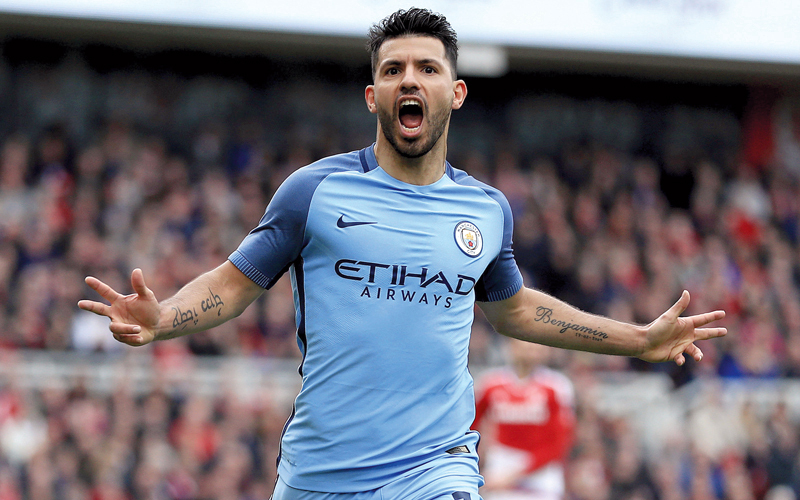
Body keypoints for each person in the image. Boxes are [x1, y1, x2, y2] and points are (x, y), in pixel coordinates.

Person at [78, 8, 726, 500]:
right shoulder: (314, 191)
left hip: (435, 467)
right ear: (373, 96)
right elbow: (232, 284)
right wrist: (165, 318)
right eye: (392, 70)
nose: (408, 79)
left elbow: (515, 310)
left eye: (426, 68)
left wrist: (638, 339)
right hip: (319, 473)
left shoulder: (485, 210)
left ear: (456, 92)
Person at [472, 339, 575, 500]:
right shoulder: (490, 383)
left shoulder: (556, 386)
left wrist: (515, 475)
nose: (530, 354)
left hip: (542, 475)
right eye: (525, 348)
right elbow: (470, 427)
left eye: (536, 349)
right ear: (510, 348)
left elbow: (560, 442)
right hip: (500, 468)